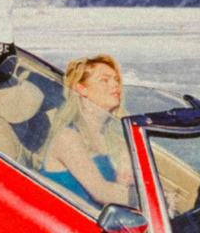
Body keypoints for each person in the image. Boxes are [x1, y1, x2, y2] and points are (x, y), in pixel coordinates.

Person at [38, 55, 135, 209]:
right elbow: (102, 192)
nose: (115, 85)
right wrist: (152, 200)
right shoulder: (67, 137)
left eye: (116, 79)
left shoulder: (112, 137)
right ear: (82, 90)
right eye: (104, 80)